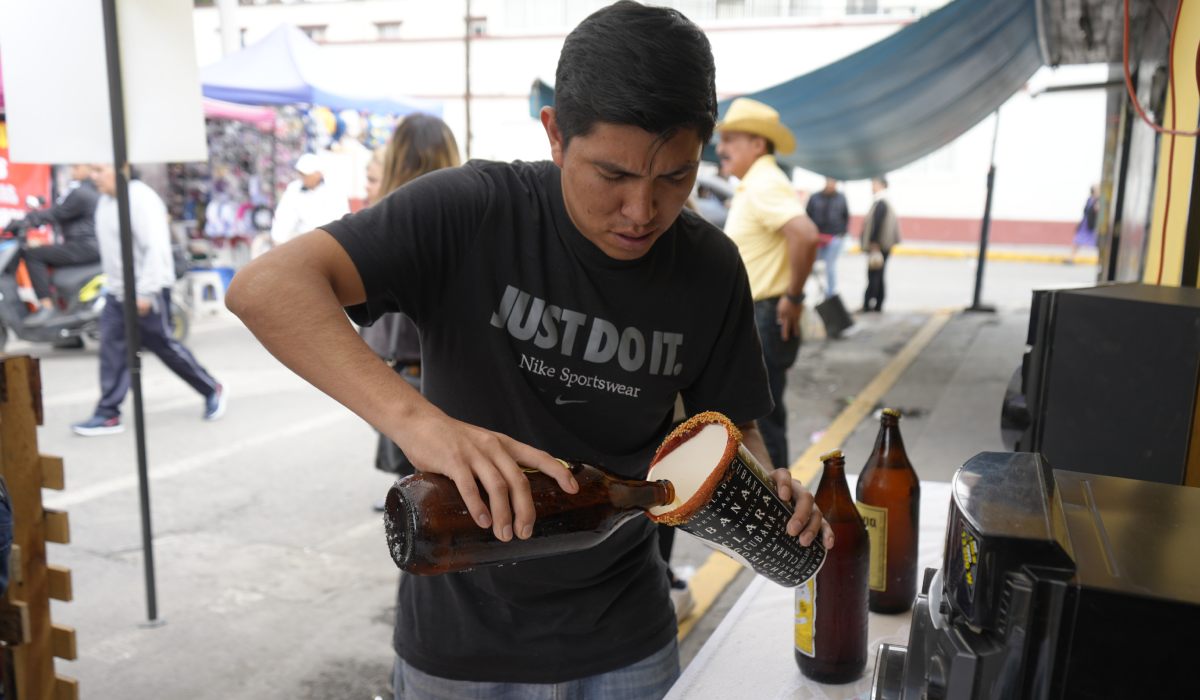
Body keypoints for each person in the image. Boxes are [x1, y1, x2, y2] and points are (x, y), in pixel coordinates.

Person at [226, 3, 832, 698]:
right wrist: (422, 425)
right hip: (459, 643)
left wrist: (769, 489)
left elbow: (738, 427)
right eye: (612, 175)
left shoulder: (709, 266)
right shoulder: (474, 210)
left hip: (625, 639)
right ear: (555, 134)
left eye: (674, 177)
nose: (642, 211)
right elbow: (266, 287)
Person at [70, 165, 227, 437]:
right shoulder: (106, 203)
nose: (93, 176)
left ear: (122, 167)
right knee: (112, 351)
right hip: (117, 293)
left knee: (165, 346)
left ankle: (210, 388)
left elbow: (156, 249)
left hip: (146, 292)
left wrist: (146, 292)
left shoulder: (140, 199)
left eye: (99, 170)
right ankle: (108, 413)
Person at [360, 115, 462, 512]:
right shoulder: (461, 218)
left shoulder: (386, 220)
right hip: (438, 374)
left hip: (400, 370)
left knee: (426, 508)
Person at [716, 97, 819, 473]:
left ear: (758, 144)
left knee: (761, 423)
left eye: (731, 139)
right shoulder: (757, 182)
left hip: (764, 313)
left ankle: (778, 510)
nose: (721, 148)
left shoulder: (763, 181)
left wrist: (793, 297)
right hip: (757, 314)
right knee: (760, 420)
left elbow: (805, 235)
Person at [15, 164, 101, 326]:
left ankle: (46, 306)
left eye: (76, 167)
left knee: (34, 254)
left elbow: (56, 213)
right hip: (87, 245)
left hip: (85, 246)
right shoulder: (88, 190)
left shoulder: (81, 193)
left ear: (88, 169)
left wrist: (27, 220)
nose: (72, 170)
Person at [269, 153, 349, 247]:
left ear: (318, 174)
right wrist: (278, 239)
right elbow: (284, 216)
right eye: (301, 174)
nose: (303, 178)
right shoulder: (294, 189)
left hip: (329, 242)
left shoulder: (334, 190)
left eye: (306, 175)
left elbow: (342, 219)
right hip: (302, 242)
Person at [860, 176, 900, 313]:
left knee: (874, 275)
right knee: (879, 275)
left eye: (874, 184)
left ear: (882, 185)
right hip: (882, 245)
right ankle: (877, 304)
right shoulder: (883, 201)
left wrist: (874, 243)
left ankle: (869, 304)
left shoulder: (881, 202)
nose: (872, 187)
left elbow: (876, 225)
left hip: (878, 246)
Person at [806, 177, 850, 299]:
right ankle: (807, 290)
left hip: (834, 236)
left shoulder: (841, 198)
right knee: (809, 264)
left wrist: (842, 234)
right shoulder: (815, 197)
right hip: (817, 236)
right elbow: (808, 214)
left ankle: (830, 294)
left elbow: (845, 216)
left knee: (830, 266)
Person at [1068, 184, 1099, 263]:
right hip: (1087, 224)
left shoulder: (1097, 200)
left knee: (1099, 242)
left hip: (1092, 225)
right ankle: (1071, 258)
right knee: (1077, 241)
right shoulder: (1090, 200)